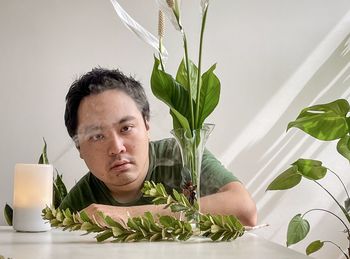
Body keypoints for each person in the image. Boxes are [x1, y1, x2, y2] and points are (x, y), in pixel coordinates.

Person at [60, 68, 257, 226]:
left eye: (126, 128)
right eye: (97, 136)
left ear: (146, 125)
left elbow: (245, 211)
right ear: (79, 148)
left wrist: (128, 215)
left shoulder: (182, 155)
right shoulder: (79, 205)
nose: (117, 147)